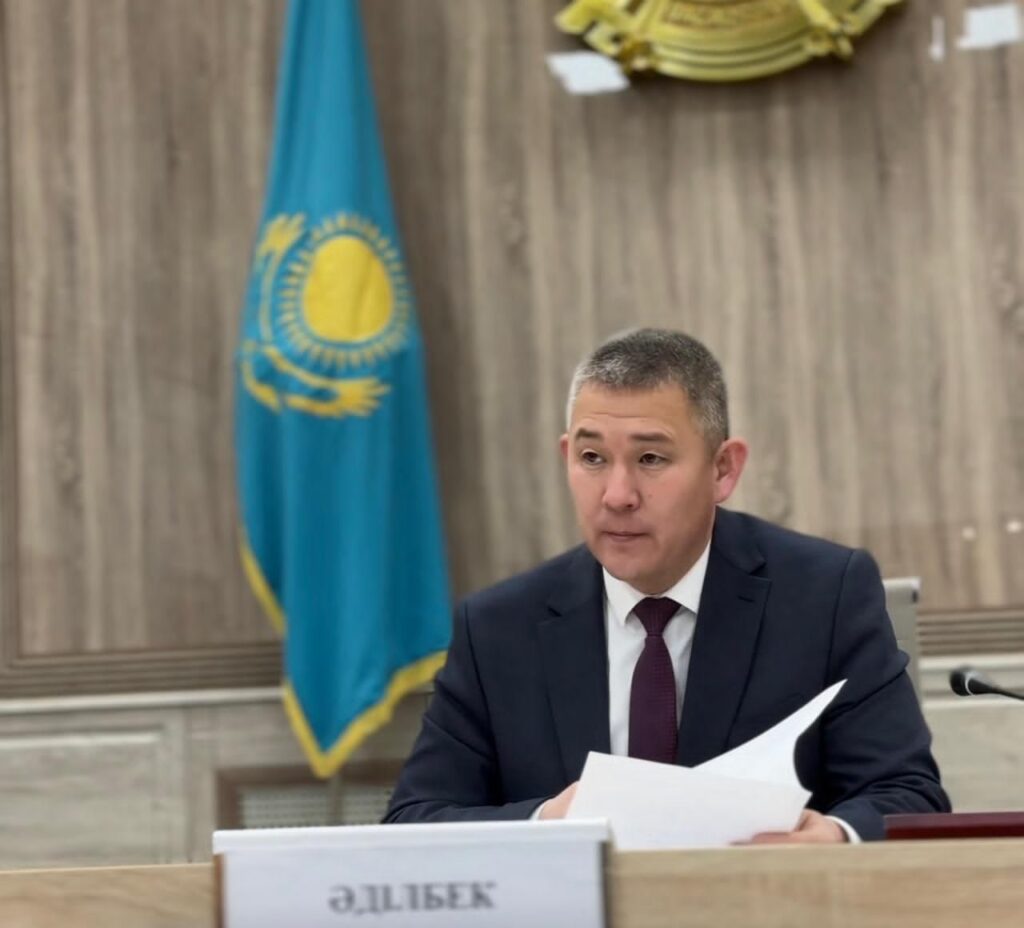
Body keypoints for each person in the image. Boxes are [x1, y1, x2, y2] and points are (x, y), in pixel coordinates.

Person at [384, 328, 949, 841]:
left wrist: (833, 837)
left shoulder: (824, 597)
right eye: (591, 457)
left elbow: (908, 796)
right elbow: (413, 822)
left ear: (723, 469)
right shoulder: (497, 629)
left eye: (650, 458)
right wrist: (545, 823)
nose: (617, 495)